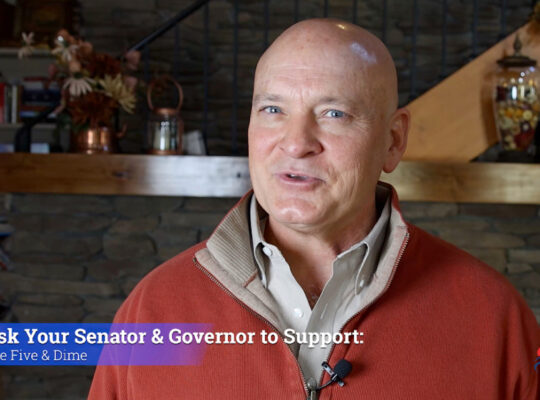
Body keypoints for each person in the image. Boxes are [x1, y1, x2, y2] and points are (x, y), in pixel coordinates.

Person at [89, 19, 540, 399]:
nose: (296, 143)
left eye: (333, 113)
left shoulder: (493, 318)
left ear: (393, 140)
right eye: (273, 109)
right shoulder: (152, 310)